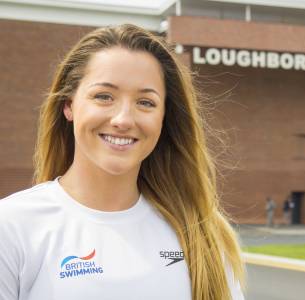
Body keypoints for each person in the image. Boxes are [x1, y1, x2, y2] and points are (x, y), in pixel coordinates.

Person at [0, 24, 245, 300]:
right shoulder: (11, 226)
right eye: (104, 97)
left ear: (164, 118)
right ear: (69, 105)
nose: (124, 120)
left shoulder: (201, 235)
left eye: (145, 102)